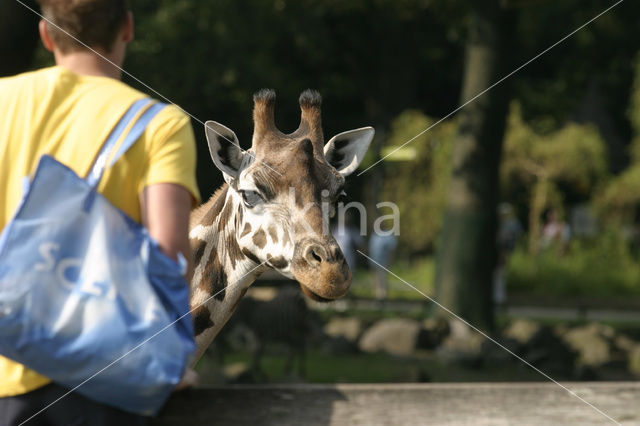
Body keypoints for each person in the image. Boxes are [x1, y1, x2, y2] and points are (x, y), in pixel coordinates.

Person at [0, 1, 200, 424]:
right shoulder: (160, 124)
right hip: (102, 381)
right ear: (127, 27)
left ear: (46, 34)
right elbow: (169, 256)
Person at [368, 230, 397, 301]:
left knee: (382, 281)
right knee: (376, 282)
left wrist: (390, 261)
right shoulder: (373, 235)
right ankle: (377, 299)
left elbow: (392, 249)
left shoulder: (387, 236)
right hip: (374, 262)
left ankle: (383, 299)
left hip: (383, 263)